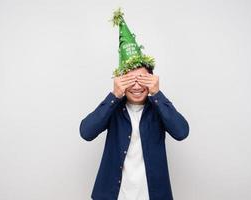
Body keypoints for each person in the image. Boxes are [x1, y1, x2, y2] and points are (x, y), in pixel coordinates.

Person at [79, 8, 189, 200]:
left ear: (152, 80)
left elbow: (181, 132)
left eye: (143, 79)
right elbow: (86, 132)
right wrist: (114, 95)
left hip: (152, 195)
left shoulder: (158, 108)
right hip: (114, 195)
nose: (137, 85)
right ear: (120, 81)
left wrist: (157, 94)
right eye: (130, 80)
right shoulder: (113, 108)